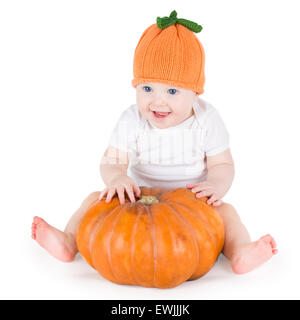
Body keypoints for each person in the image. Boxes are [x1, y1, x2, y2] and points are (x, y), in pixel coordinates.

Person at [32, 10, 277, 274]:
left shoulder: (207, 120)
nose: (158, 101)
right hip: (137, 197)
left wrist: (215, 186)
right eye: (147, 89)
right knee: (93, 199)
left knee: (226, 213)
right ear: (135, 86)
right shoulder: (132, 119)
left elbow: (223, 164)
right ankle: (69, 241)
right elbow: (112, 161)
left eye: (172, 91)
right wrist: (116, 179)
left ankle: (239, 251)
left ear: (195, 93)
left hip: (193, 201)